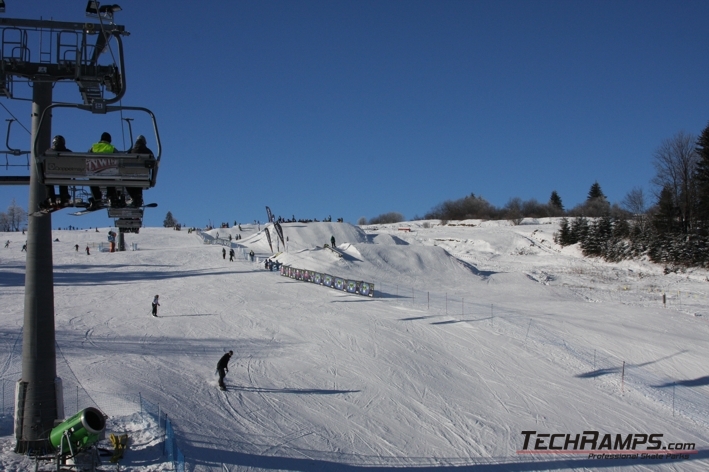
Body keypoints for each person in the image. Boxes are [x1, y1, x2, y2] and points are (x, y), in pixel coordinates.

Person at [88, 132, 117, 210]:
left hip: (96, 173)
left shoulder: (94, 147)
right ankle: (111, 196)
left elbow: (87, 157)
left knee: (92, 180)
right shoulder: (111, 148)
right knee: (112, 178)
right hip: (109, 174)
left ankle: (97, 198)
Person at [42, 135, 72, 209]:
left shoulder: (48, 152)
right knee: (64, 178)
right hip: (65, 176)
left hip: (51, 176)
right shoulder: (69, 152)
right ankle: (64, 197)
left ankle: (51, 198)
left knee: (48, 180)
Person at [126, 135, 153, 207]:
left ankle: (134, 198)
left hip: (131, 176)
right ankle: (138, 197)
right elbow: (154, 163)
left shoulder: (131, 151)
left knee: (129, 182)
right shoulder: (148, 151)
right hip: (143, 177)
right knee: (139, 180)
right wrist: (153, 179)